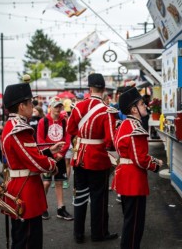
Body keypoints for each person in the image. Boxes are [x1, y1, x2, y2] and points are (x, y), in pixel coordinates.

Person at [1, 83, 65, 249]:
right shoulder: (19, 129)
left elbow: (27, 157)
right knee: (29, 241)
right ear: (21, 106)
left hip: (21, 186)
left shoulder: (13, 125)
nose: (32, 106)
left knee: (24, 238)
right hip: (25, 190)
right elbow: (35, 163)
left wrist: (48, 152)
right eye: (30, 102)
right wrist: (52, 164)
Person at [67, 73, 118, 244]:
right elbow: (110, 141)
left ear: (89, 88)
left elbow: (70, 128)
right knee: (99, 197)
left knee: (80, 194)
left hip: (79, 155)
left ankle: (78, 234)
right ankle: (98, 233)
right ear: (104, 89)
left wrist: (82, 138)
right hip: (97, 158)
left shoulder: (77, 106)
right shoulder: (106, 110)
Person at [111, 87, 163, 249]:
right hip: (133, 180)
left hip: (125, 176)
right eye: (141, 104)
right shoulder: (135, 129)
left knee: (130, 221)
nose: (145, 107)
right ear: (134, 109)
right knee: (134, 225)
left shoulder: (124, 125)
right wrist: (156, 164)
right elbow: (140, 159)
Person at [37, 96, 73, 221]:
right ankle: (41, 207)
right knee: (46, 183)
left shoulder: (64, 121)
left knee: (59, 182)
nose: (58, 109)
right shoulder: (43, 121)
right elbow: (40, 141)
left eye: (60, 106)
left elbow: (68, 139)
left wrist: (61, 154)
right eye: (56, 106)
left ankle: (60, 208)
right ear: (50, 107)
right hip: (48, 156)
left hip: (60, 156)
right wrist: (52, 154)